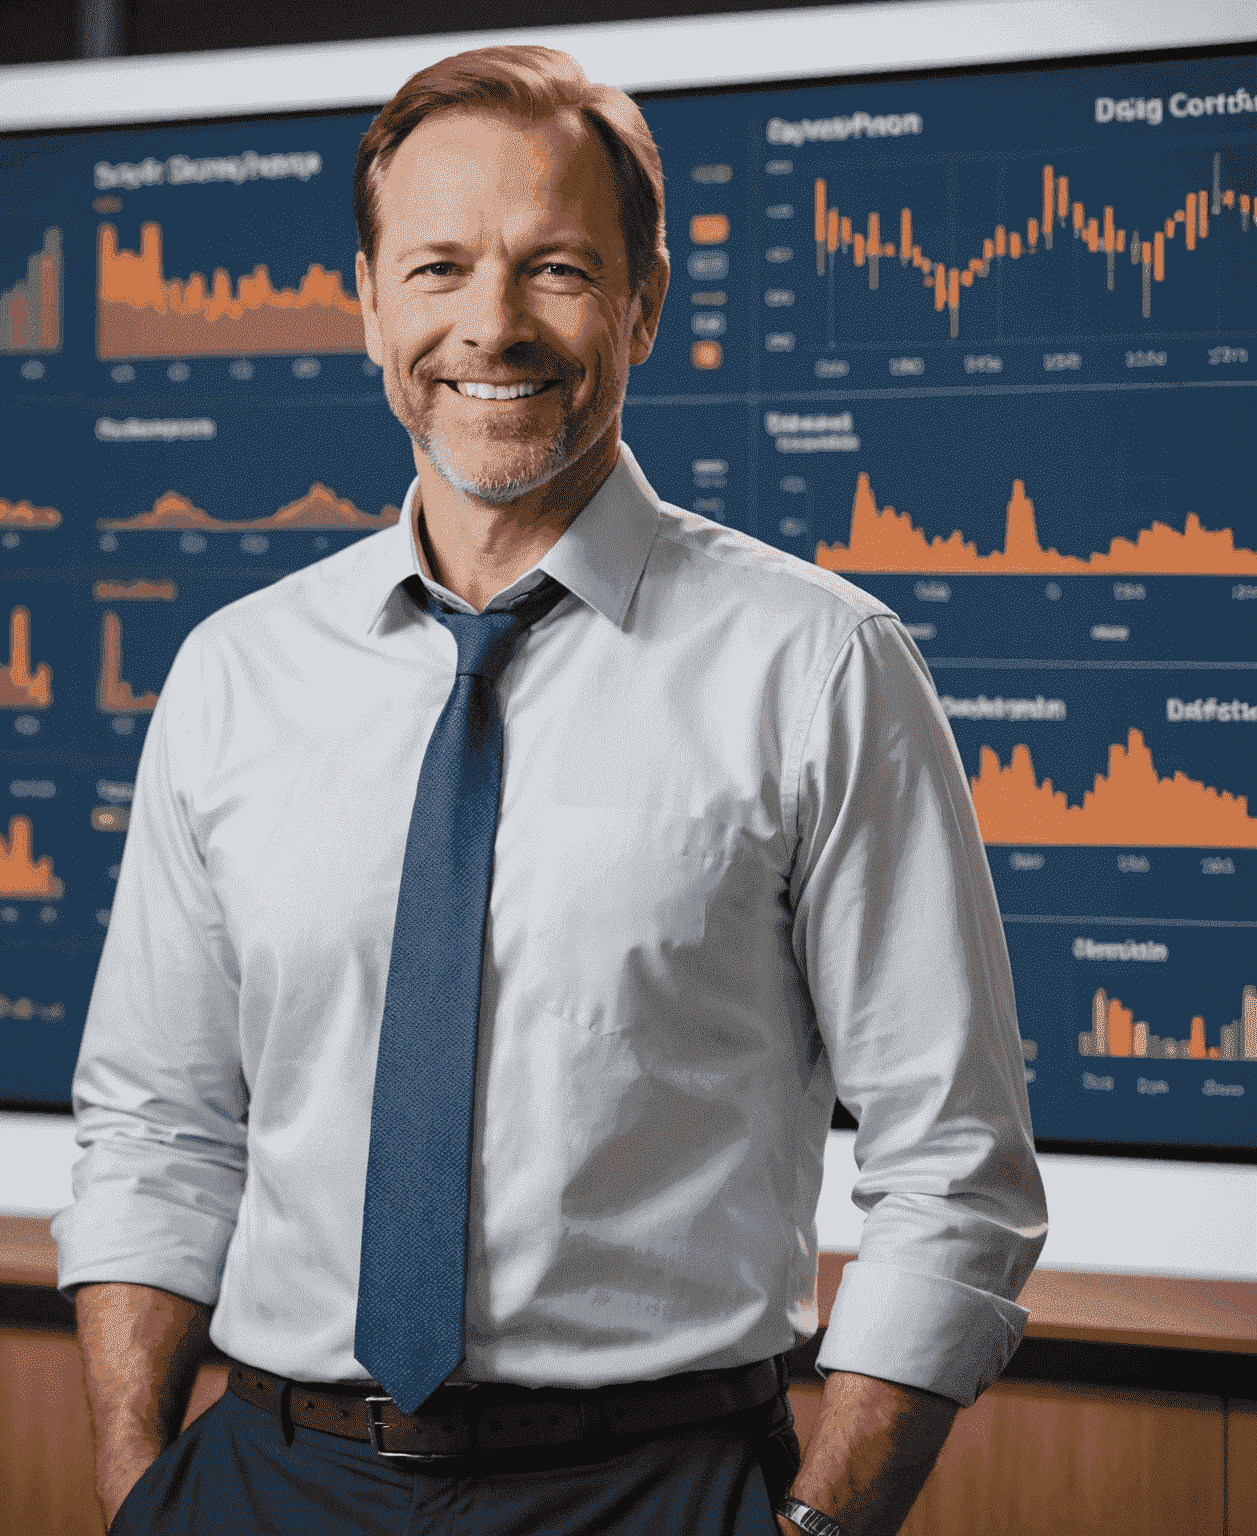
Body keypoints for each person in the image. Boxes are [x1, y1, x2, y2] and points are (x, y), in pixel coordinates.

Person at [53, 44, 1046, 1536]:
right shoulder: (234, 674)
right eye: (439, 266)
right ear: (370, 305)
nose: (492, 325)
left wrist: (821, 1526)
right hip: (264, 1481)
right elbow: (159, 1124)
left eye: (559, 268)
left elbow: (957, 1165)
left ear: (644, 300)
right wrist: (144, 1485)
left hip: (654, 1487)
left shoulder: (821, 667)